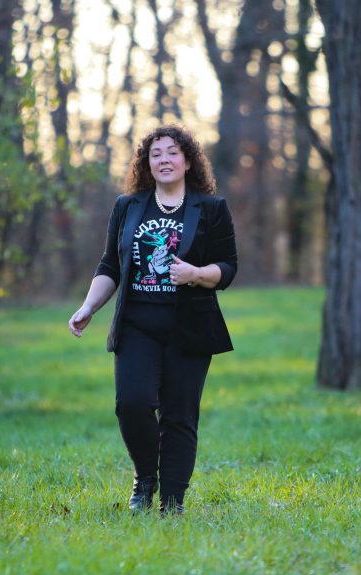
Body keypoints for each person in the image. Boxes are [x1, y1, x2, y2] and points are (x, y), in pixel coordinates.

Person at [67, 124, 238, 515]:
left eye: (172, 152)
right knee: (132, 403)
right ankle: (145, 479)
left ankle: (172, 504)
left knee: (179, 415)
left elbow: (228, 268)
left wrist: (195, 273)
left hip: (189, 327)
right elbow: (111, 264)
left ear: (188, 161)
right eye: (155, 153)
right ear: (146, 162)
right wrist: (88, 307)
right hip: (136, 326)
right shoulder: (128, 206)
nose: (164, 159)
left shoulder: (211, 208)